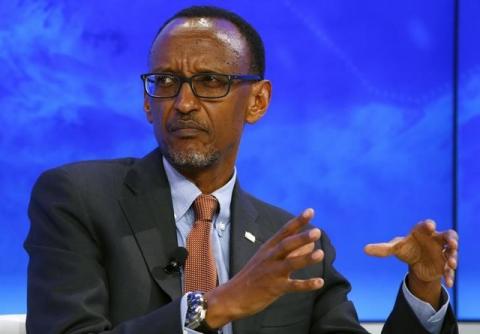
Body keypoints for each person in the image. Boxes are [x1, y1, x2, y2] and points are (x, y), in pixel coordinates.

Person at [25, 5, 459, 334]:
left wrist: (423, 290)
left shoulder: (294, 247)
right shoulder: (77, 200)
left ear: (258, 101)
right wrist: (213, 306)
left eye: (211, 81)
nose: (184, 103)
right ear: (146, 102)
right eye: (165, 82)